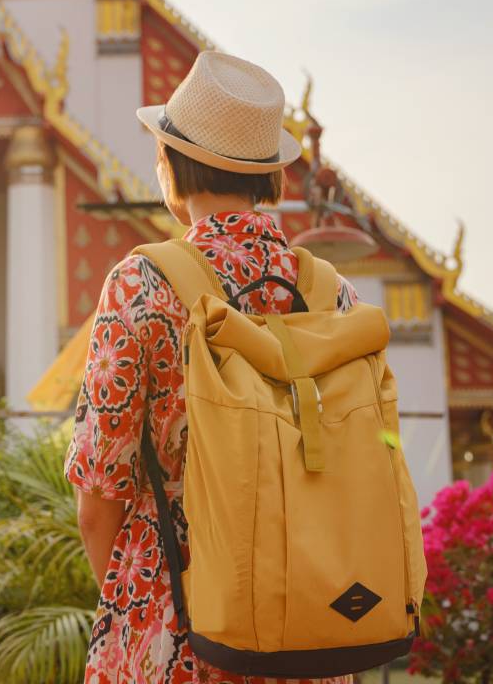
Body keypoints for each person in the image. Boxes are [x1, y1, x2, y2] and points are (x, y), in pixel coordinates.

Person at [65, 51, 358, 684]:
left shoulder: (140, 286)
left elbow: (98, 498)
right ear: (271, 177)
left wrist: (143, 604)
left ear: (170, 165)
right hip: (310, 622)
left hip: (172, 619)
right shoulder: (330, 292)